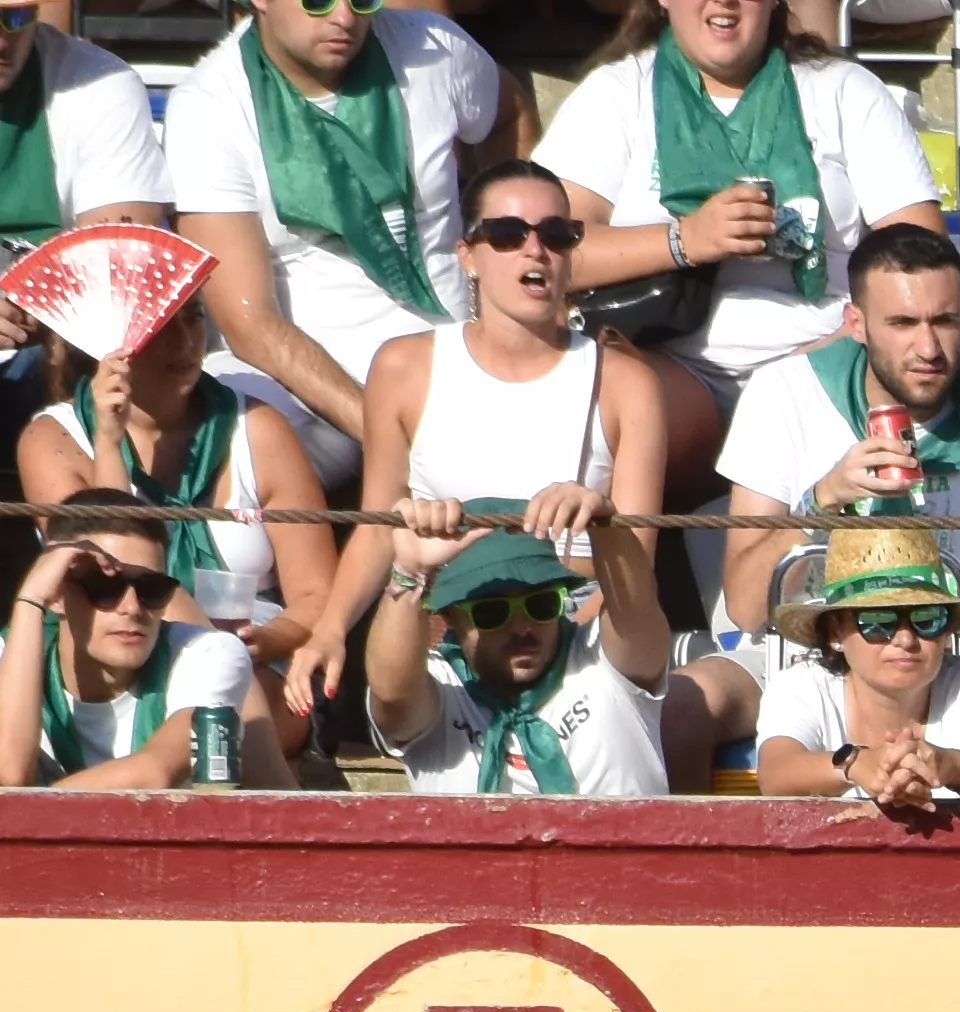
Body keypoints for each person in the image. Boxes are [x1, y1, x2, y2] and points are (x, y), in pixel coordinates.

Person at [529, 0, 939, 476]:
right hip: (676, 367)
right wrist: (684, 240)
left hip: (830, 358)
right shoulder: (618, 94)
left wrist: (841, 345)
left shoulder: (843, 89)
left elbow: (923, 257)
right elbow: (546, 251)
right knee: (603, 408)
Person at [165, 0, 528, 485]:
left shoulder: (435, 48)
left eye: (363, 0)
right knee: (232, 458)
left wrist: (502, 243)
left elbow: (510, 114)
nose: (344, 17)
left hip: (450, 357)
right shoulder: (207, 105)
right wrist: (391, 433)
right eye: (318, 1)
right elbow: (249, 324)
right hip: (301, 387)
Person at [333, 168, 673, 673]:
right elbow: (377, 527)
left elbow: (634, 565)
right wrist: (329, 630)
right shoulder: (402, 368)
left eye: (557, 236)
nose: (535, 250)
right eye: (508, 235)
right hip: (451, 632)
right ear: (467, 255)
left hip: (575, 631)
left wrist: (570, 661)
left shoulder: (628, 383)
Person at [713, 220, 960, 676]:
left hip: (957, 661)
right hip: (804, 663)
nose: (927, 348)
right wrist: (822, 502)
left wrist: (916, 668)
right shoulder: (782, 392)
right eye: (903, 323)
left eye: (944, 321)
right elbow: (746, 607)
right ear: (856, 324)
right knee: (692, 706)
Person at [17, 293, 337, 748]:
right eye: (162, 328)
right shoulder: (52, 438)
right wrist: (109, 444)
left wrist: (263, 643)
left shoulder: (259, 428)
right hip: (112, 641)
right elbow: (109, 566)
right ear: (115, 344)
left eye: (195, 320)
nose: (186, 342)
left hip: (256, 657)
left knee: (235, 718)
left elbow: (316, 592)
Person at [359, 501, 671, 792]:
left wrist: (606, 524)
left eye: (541, 604)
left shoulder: (600, 660)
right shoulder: (441, 685)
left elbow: (638, 608)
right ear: (449, 616)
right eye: (492, 612)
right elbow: (392, 694)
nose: (522, 628)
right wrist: (409, 570)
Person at [751, 514, 960, 812]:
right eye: (879, 621)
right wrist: (855, 764)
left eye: (928, 619)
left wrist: (954, 765)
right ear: (835, 632)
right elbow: (775, 773)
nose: (906, 639)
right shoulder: (800, 686)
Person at [3, 499, 280, 786]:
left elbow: (153, 773)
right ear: (57, 593)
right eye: (105, 586)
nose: (133, 608)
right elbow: (9, 773)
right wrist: (30, 601)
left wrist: (29, 806)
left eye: (151, 588)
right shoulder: (8, 654)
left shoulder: (209, 654)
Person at [0, 14, 174, 248]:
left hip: (52, 283)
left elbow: (117, 269)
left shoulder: (100, 84)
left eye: (15, 17)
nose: (3, 42)